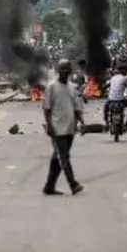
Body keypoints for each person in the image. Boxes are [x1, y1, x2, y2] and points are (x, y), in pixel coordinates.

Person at [42, 59, 85, 196]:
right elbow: (47, 109)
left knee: (58, 158)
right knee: (64, 157)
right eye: (63, 69)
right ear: (58, 70)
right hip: (57, 128)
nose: (65, 71)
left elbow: (76, 108)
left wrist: (82, 123)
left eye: (68, 69)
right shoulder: (52, 87)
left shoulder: (72, 87)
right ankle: (73, 184)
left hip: (70, 128)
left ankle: (49, 186)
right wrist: (49, 125)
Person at [107, 62, 127, 132]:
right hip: (121, 100)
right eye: (126, 70)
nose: (126, 71)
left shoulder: (113, 78)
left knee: (105, 107)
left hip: (111, 99)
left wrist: (101, 93)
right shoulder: (125, 78)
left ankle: (107, 123)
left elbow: (106, 86)